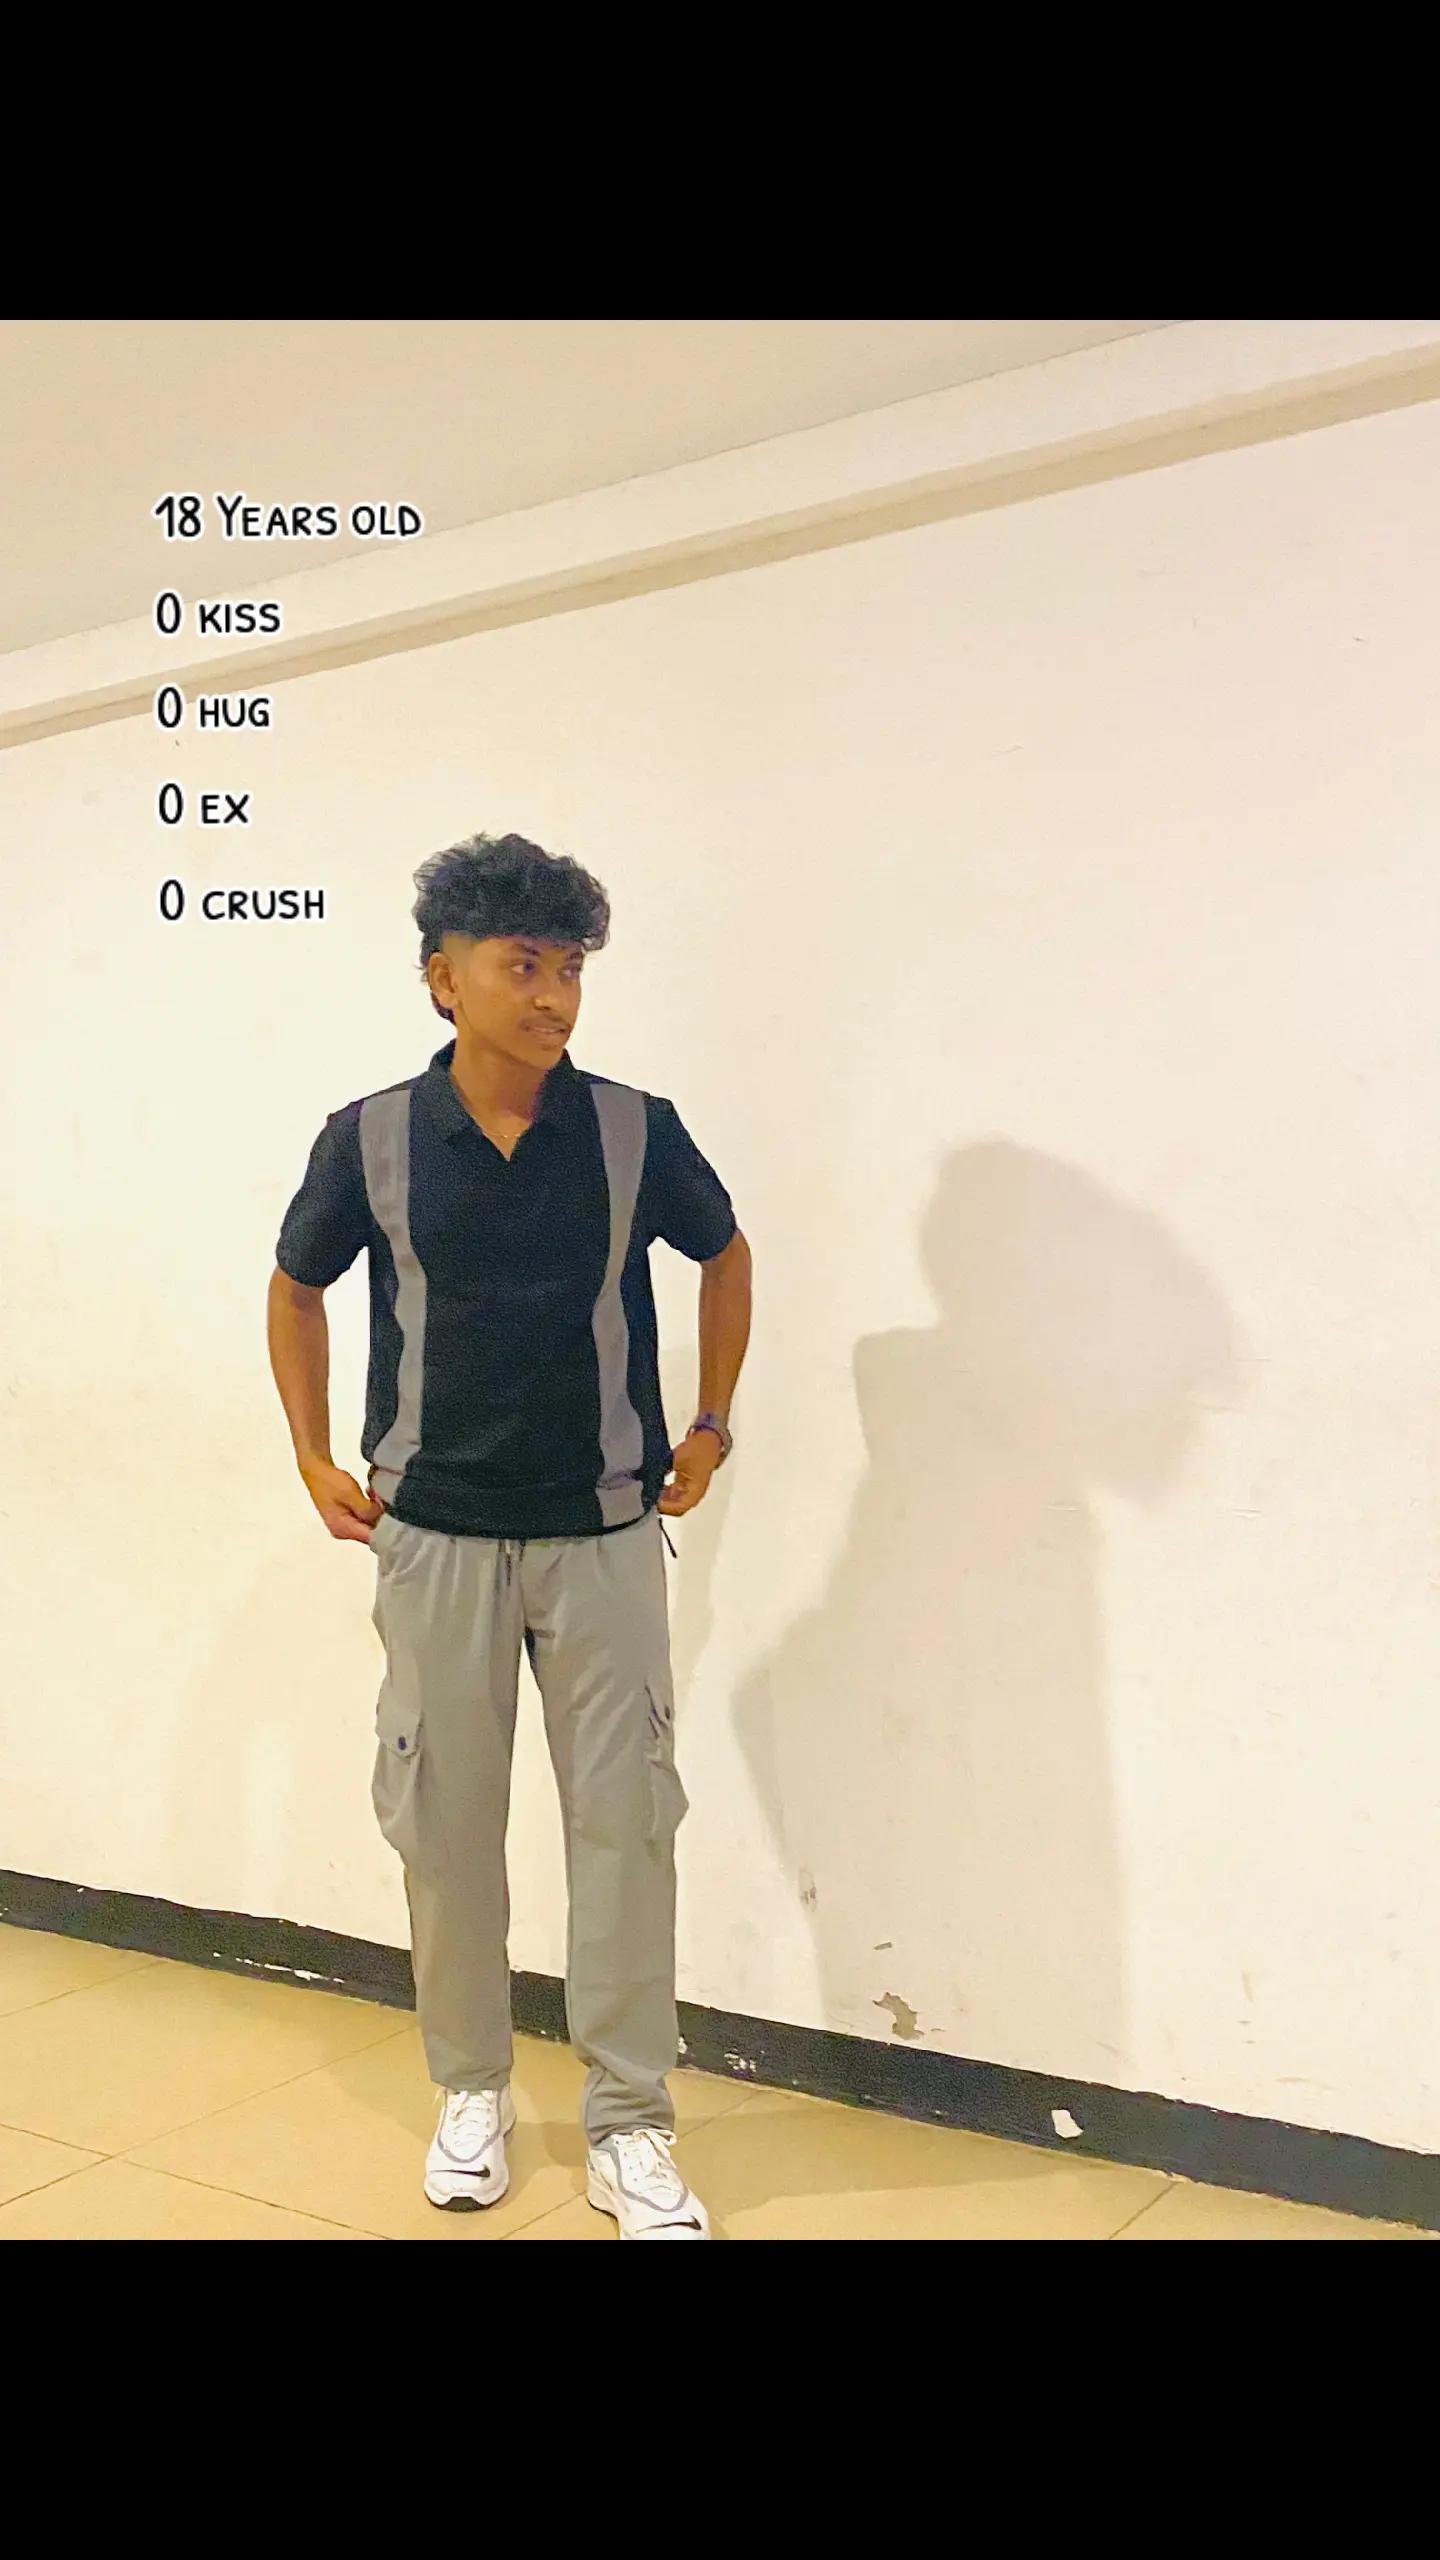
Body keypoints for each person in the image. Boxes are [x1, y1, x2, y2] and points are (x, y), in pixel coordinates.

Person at [266, 832, 751, 2239]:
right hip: (433, 1541)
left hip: (604, 1535)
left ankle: (630, 2124)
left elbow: (726, 1254)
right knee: (445, 1830)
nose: (552, 997)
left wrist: (709, 1424)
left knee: (627, 1831)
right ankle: (471, 2090)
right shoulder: (369, 1137)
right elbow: (295, 1285)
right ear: (444, 978)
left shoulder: (636, 1129)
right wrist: (309, 1453)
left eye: (570, 970)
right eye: (523, 966)